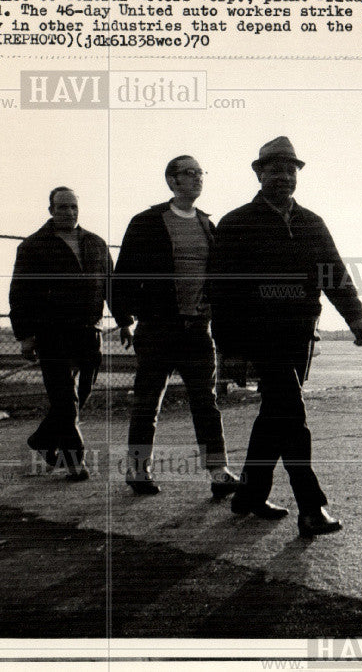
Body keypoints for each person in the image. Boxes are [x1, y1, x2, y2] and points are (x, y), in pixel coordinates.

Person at [210, 136, 362, 537]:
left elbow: (333, 273)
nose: (283, 176)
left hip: (300, 335)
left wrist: (355, 319)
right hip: (259, 336)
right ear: (259, 173)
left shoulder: (312, 223)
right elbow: (220, 291)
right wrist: (228, 347)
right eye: (274, 169)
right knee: (292, 414)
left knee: (275, 417)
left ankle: (248, 495)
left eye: (290, 170)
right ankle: (312, 508)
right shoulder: (236, 224)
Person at [112, 155, 241, 497]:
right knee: (147, 403)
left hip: (198, 330)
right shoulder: (147, 222)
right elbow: (121, 277)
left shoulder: (206, 225)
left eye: (201, 172)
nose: (198, 178)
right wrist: (127, 318)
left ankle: (219, 472)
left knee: (206, 403)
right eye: (189, 173)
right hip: (158, 330)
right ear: (171, 181)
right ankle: (138, 470)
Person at [10, 187, 122, 481]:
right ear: (51, 210)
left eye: (73, 207)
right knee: (65, 399)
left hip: (88, 333)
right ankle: (75, 460)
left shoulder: (96, 244)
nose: (70, 213)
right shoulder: (33, 247)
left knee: (79, 395)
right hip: (52, 334)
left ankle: (43, 441)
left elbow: (112, 286)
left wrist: (124, 321)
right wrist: (25, 335)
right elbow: (20, 294)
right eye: (62, 208)